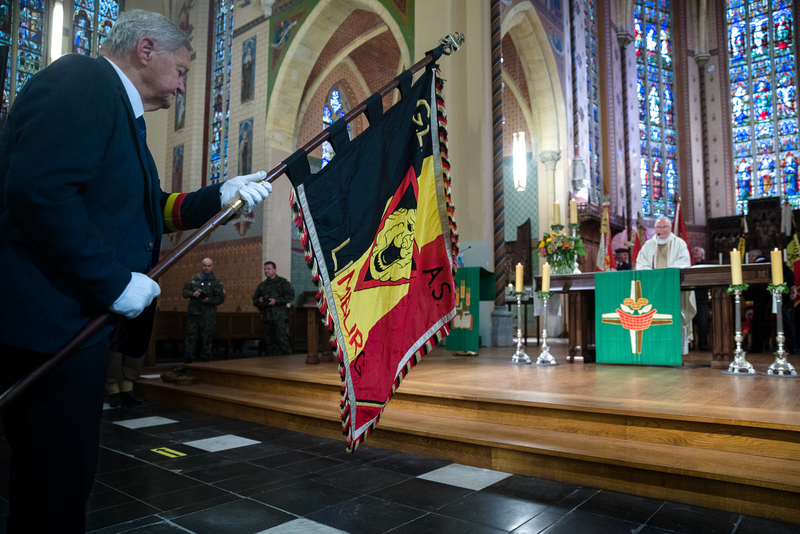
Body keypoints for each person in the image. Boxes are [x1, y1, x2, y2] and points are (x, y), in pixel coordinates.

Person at [0, 10, 271, 533]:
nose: (185, 83)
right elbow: (40, 192)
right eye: (184, 69)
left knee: (62, 478)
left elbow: (152, 207)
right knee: (53, 484)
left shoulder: (120, 114)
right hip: (51, 328)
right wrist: (114, 281)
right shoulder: (81, 81)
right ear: (147, 50)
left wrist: (222, 194)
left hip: (72, 327)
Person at [635, 216, 696, 355]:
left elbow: (684, 262)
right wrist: (652, 273)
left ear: (670, 228)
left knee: (675, 315)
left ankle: (675, 350)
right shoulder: (649, 245)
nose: (661, 230)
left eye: (664, 227)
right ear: (655, 229)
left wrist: (665, 273)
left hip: (673, 288)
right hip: (653, 289)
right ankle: (654, 349)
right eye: (658, 227)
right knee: (653, 316)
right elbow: (641, 263)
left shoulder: (679, 243)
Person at [746, 249, 798, 354]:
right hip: (776, 290)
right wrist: (792, 287)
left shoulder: (753, 266)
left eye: (749, 257)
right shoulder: (774, 260)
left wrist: (749, 307)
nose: (749, 260)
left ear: (753, 257)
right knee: (784, 317)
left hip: (759, 292)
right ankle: (793, 347)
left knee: (758, 318)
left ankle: (757, 347)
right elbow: (789, 273)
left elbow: (748, 287)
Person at [182, 257, 226, 362]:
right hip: (194, 313)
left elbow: (220, 299)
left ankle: (206, 361)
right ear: (202, 266)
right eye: (205, 266)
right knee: (190, 338)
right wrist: (193, 293)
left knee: (207, 339)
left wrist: (208, 300)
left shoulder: (216, 282)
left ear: (212, 266)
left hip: (208, 315)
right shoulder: (194, 278)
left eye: (209, 266)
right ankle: (188, 361)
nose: (207, 268)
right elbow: (184, 292)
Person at [253, 261, 295, 356]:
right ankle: (273, 363)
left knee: (282, 340)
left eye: (268, 269)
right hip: (267, 317)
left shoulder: (282, 282)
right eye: (265, 269)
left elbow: (290, 297)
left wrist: (276, 301)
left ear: (274, 270)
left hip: (279, 317)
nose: (266, 271)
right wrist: (259, 300)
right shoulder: (262, 285)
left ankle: (287, 362)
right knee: (270, 342)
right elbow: (254, 299)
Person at [691, 246, 710, 351]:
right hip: (690, 296)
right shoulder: (688, 264)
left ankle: (703, 343)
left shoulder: (705, 266)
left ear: (702, 254)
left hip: (701, 298)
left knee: (702, 323)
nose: (694, 251)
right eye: (693, 250)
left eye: (696, 250)